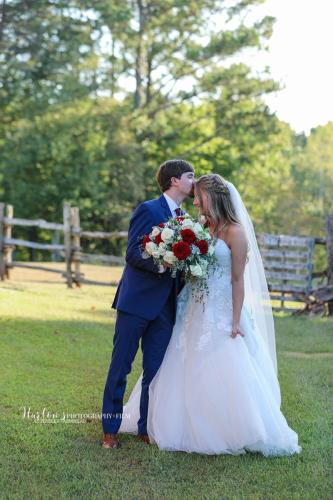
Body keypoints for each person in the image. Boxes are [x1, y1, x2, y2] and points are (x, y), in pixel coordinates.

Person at [120, 173, 301, 456]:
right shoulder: (203, 227)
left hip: (221, 308)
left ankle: (226, 428)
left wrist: (235, 319)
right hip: (192, 304)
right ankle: (163, 421)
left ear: (212, 197)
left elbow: (238, 280)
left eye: (199, 196)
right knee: (178, 357)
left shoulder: (236, 233)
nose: (195, 201)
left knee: (222, 363)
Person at [101, 159, 195, 449]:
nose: (194, 181)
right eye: (190, 176)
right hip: (137, 302)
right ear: (174, 181)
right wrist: (164, 266)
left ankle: (145, 426)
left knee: (154, 371)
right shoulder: (148, 209)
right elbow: (132, 253)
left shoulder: (186, 219)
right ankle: (109, 429)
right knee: (121, 366)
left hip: (166, 307)